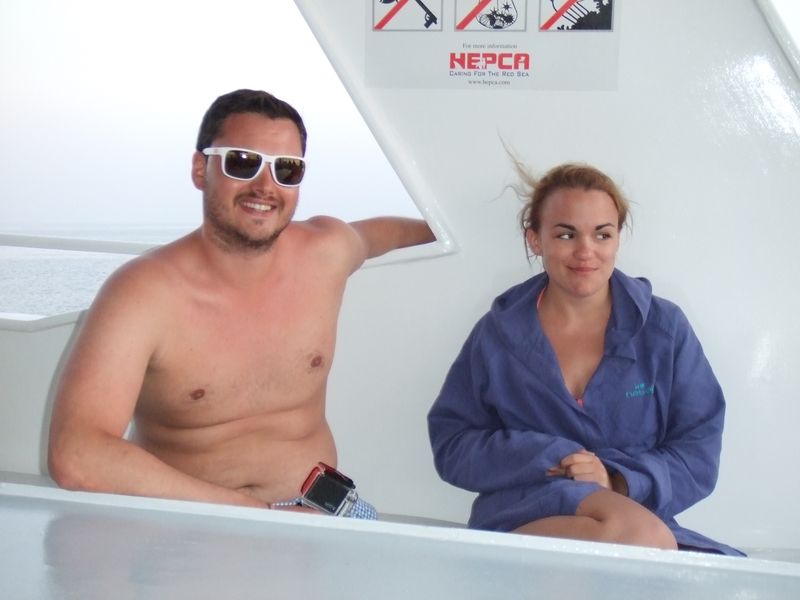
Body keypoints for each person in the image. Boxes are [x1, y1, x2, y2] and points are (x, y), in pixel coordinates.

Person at [48, 89, 435, 519]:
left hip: (323, 513)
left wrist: (472, 231)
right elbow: (76, 454)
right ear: (201, 169)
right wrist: (257, 513)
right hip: (189, 524)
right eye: (243, 162)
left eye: (286, 169)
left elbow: (392, 234)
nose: (266, 187)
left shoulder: (327, 251)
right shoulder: (142, 294)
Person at [427, 162, 743, 554]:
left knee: (677, 555)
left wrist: (615, 478)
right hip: (524, 514)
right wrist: (552, 457)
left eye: (602, 234)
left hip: (633, 514)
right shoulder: (497, 336)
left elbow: (698, 450)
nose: (585, 251)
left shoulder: (663, 330)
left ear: (617, 240)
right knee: (644, 543)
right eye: (566, 234)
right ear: (535, 240)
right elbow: (453, 443)